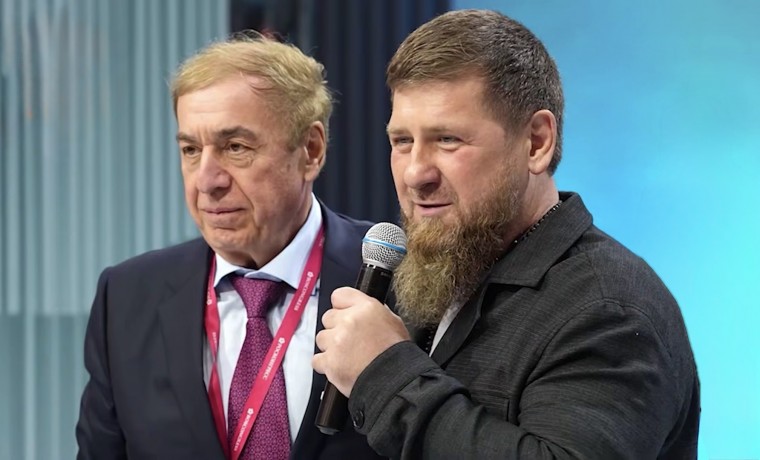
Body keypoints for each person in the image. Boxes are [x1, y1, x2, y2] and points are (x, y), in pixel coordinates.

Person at [312, 9, 700, 459]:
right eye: (402, 141)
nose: (416, 173)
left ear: (536, 142)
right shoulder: (444, 271)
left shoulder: (608, 311)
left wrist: (386, 375)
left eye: (448, 139)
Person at [76, 33, 385, 460]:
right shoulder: (127, 297)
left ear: (310, 151)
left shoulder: (397, 283)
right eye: (190, 149)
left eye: (235, 147)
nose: (207, 181)